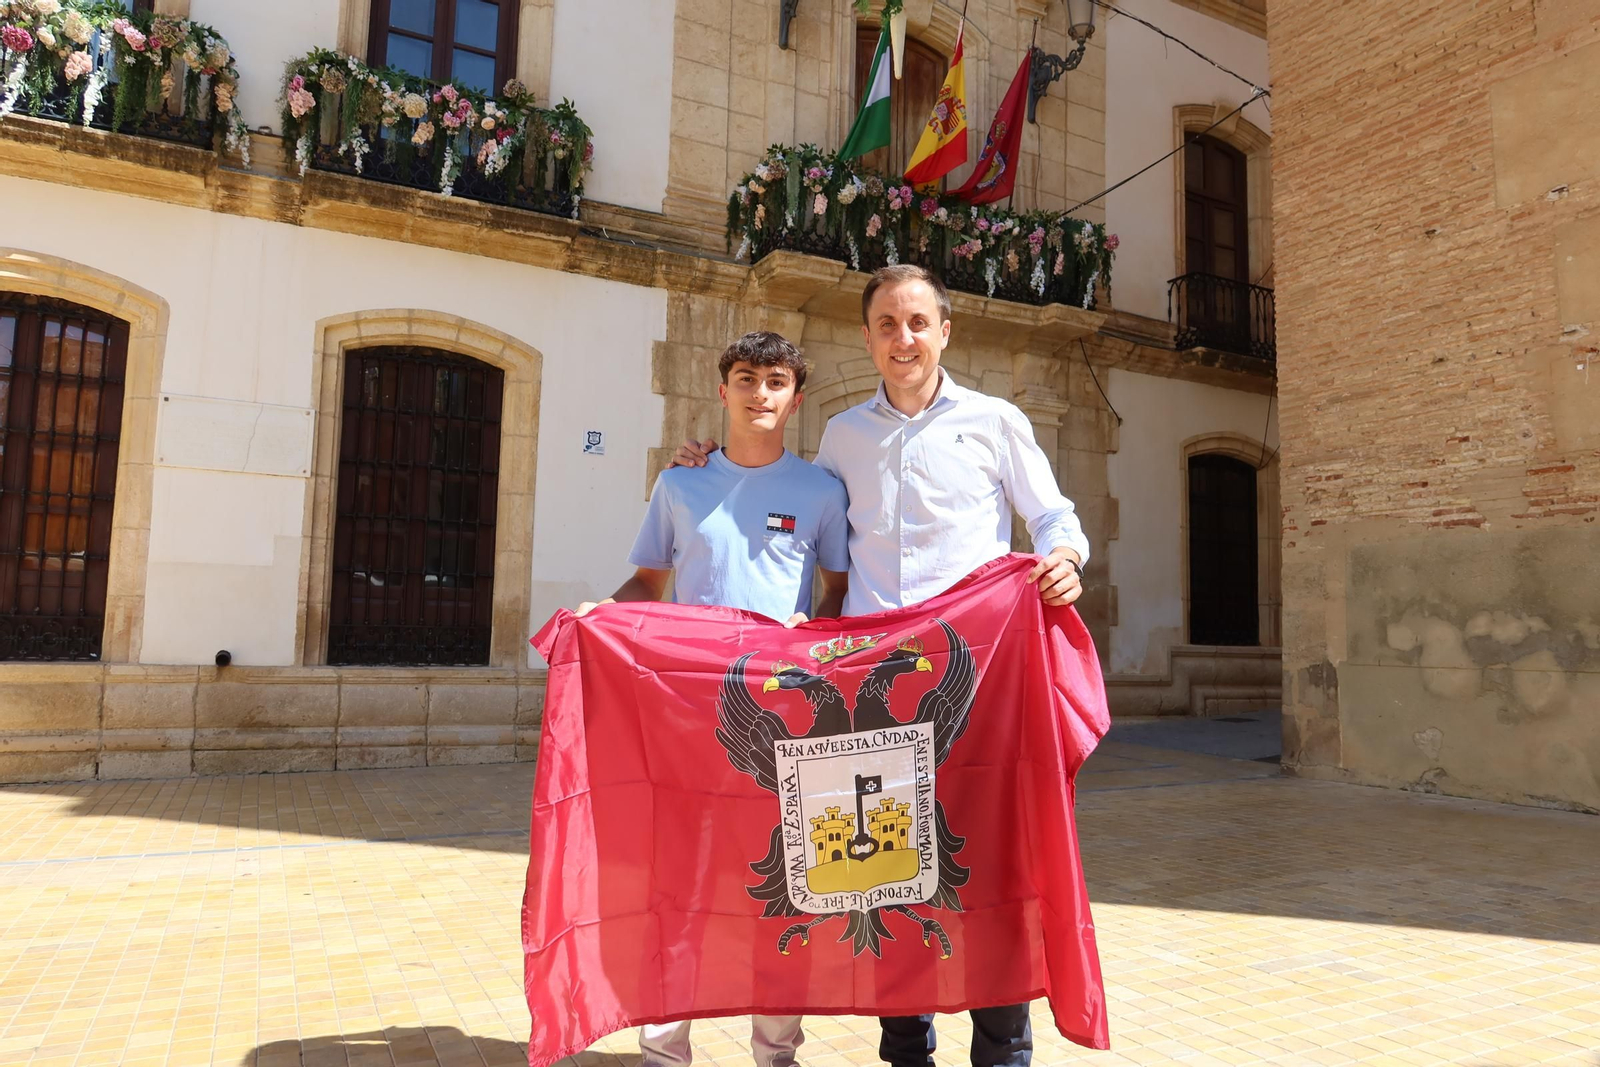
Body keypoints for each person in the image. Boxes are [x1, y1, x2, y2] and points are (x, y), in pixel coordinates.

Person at [672, 264, 1087, 1067]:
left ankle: (1002, 1053)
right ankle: (905, 1051)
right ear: (868, 338)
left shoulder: (996, 421)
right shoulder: (842, 436)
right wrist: (710, 465)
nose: (904, 339)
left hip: (972, 685)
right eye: (888, 325)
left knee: (990, 867)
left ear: (944, 332)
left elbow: (1053, 515)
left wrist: (1064, 556)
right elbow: (794, 502)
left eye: (918, 322)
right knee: (891, 872)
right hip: (875, 695)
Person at [578, 330, 850, 1067]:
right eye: (746, 378)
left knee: (786, 890)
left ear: (796, 398)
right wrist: (601, 614)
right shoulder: (680, 484)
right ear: (722, 389)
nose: (760, 392)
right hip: (690, 722)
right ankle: (664, 1052)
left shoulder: (822, 492)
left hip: (784, 728)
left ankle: (777, 1054)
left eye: (775, 381)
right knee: (680, 886)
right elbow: (647, 583)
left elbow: (836, 592)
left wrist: (811, 633)